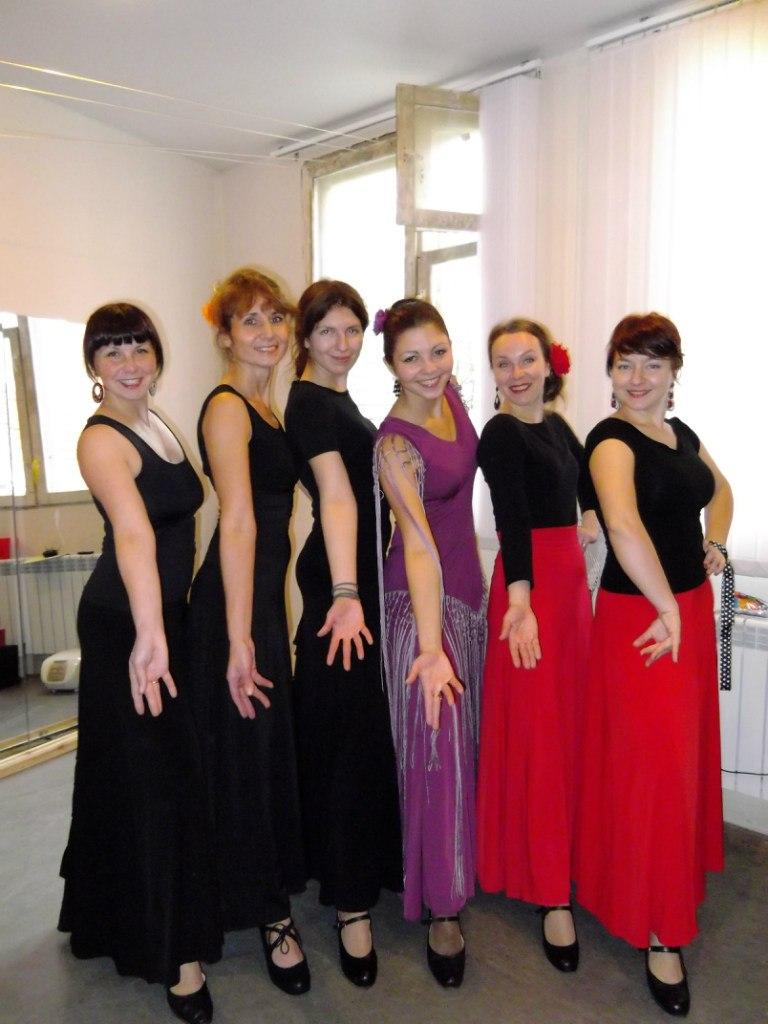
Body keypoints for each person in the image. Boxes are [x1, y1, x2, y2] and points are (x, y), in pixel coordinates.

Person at [58, 303, 221, 1024]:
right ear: (93, 366)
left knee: (132, 771)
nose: (129, 363)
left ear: (156, 354)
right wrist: (151, 634)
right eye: (112, 352)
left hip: (163, 620)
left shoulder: (158, 423)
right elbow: (132, 534)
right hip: (125, 623)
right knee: (156, 778)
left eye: (139, 348)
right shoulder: (101, 440)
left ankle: (102, 911)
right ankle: (175, 954)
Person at [574, 313, 732, 1017]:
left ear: (674, 372)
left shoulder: (681, 434)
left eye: (652, 364)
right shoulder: (610, 440)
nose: (637, 379)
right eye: (625, 364)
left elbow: (719, 492)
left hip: (684, 610)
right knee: (655, 770)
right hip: (643, 621)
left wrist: (716, 542)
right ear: (609, 372)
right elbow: (622, 524)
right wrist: (667, 608)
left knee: (675, 763)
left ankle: (664, 881)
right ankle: (661, 931)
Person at [186, 269, 308, 995]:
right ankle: (270, 916)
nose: (268, 332)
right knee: (249, 753)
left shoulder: (268, 406)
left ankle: (253, 893)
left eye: (275, 318)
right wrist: (239, 639)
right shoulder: (229, 407)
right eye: (251, 321)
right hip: (233, 606)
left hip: (259, 601)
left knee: (253, 753)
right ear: (226, 336)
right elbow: (235, 520)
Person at [284, 280, 402, 989]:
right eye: (327, 331)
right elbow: (335, 493)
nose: (342, 343)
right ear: (305, 338)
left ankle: (363, 867)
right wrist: (347, 592)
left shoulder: (344, 401)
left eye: (352, 329)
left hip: (361, 582)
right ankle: (349, 905)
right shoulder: (308, 401)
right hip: (342, 587)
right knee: (345, 740)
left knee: (356, 732)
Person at [475, 318, 599, 972]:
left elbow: (586, 477)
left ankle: (566, 857)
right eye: (504, 362)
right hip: (531, 592)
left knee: (567, 730)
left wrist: (589, 514)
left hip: (568, 588)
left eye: (527, 360)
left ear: (549, 366)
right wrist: (520, 605)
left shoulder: (555, 426)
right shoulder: (501, 433)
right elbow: (512, 518)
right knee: (540, 735)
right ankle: (550, 891)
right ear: (494, 373)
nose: (517, 372)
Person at [374, 298, 486, 989]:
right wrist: (431, 645)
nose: (428, 367)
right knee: (437, 754)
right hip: (423, 608)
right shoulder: (394, 445)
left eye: (438, 350)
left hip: (468, 594)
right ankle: (441, 910)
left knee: (461, 747)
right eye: (411, 357)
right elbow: (416, 545)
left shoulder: (453, 399)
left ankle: (458, 867)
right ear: (391, 364)